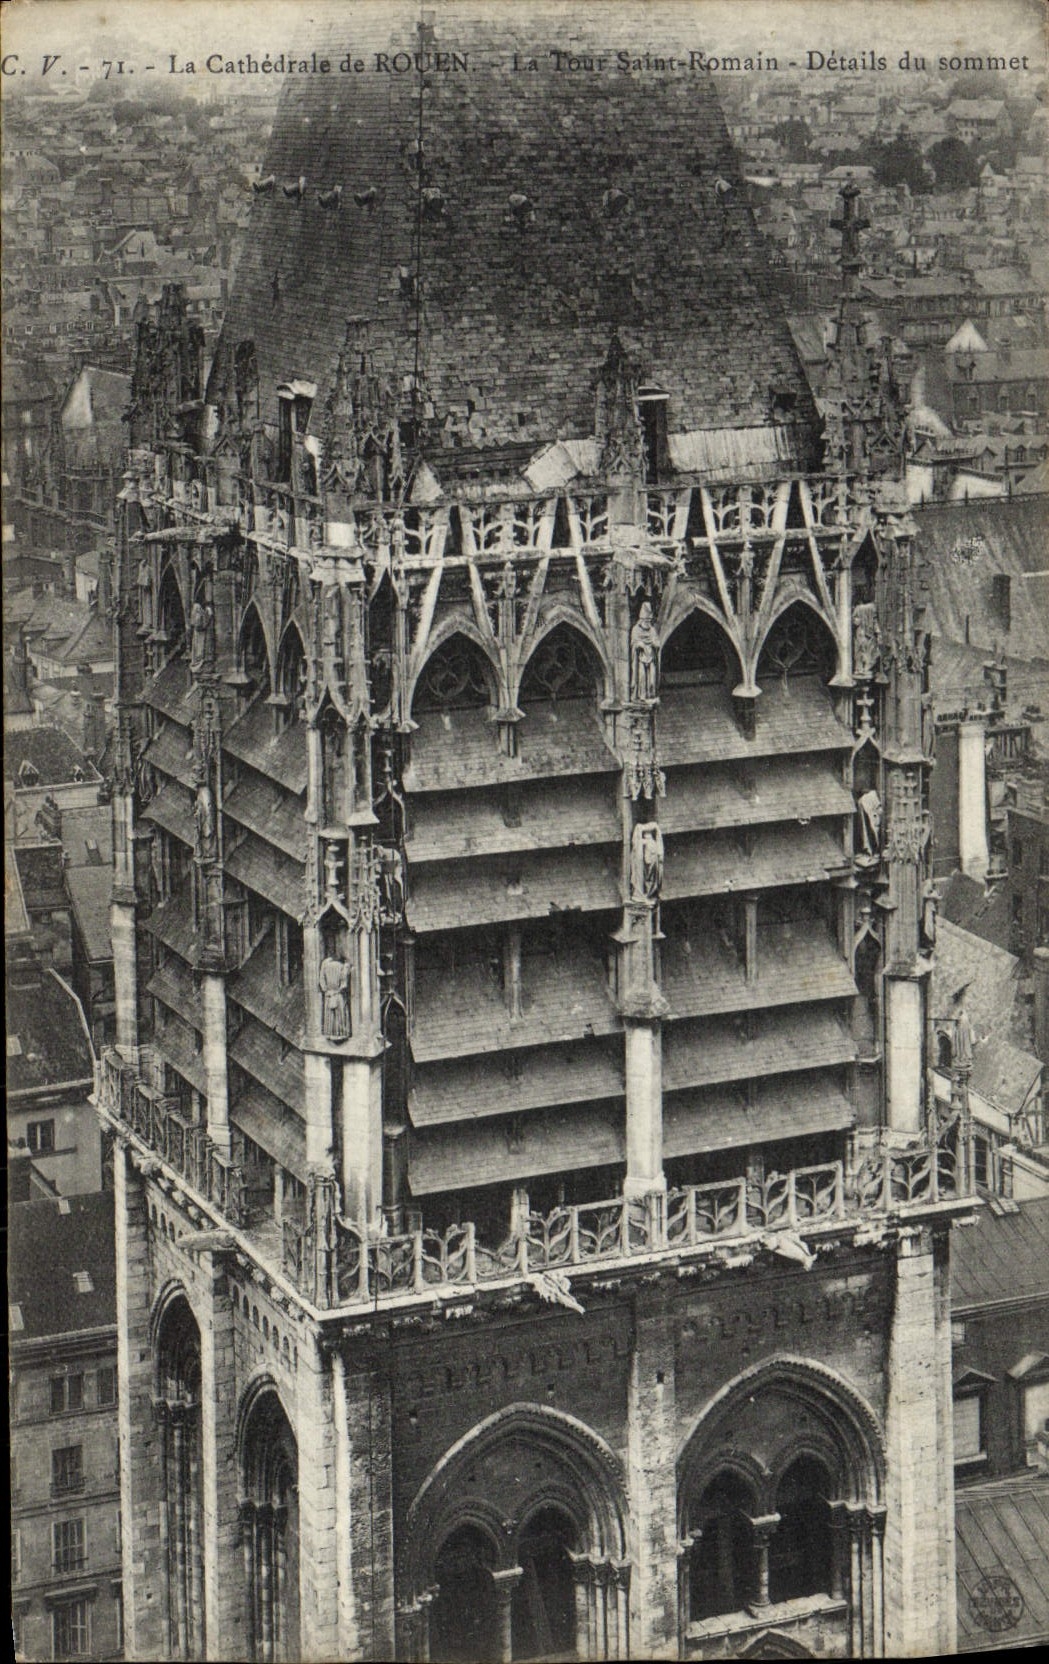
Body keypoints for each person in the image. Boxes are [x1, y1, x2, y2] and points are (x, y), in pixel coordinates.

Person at [630, 600, 659, 702]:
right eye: (646, 621)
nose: (647, 623)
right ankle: (641, 697)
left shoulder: (652, 630)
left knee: (651, 681)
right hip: (641, 659)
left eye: (649, 621)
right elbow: (633, 643)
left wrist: (655, 644)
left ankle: (650, 695)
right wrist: (639, 645)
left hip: (650, 658)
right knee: (641, 678)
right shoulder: (636, 629)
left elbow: (656, 642)